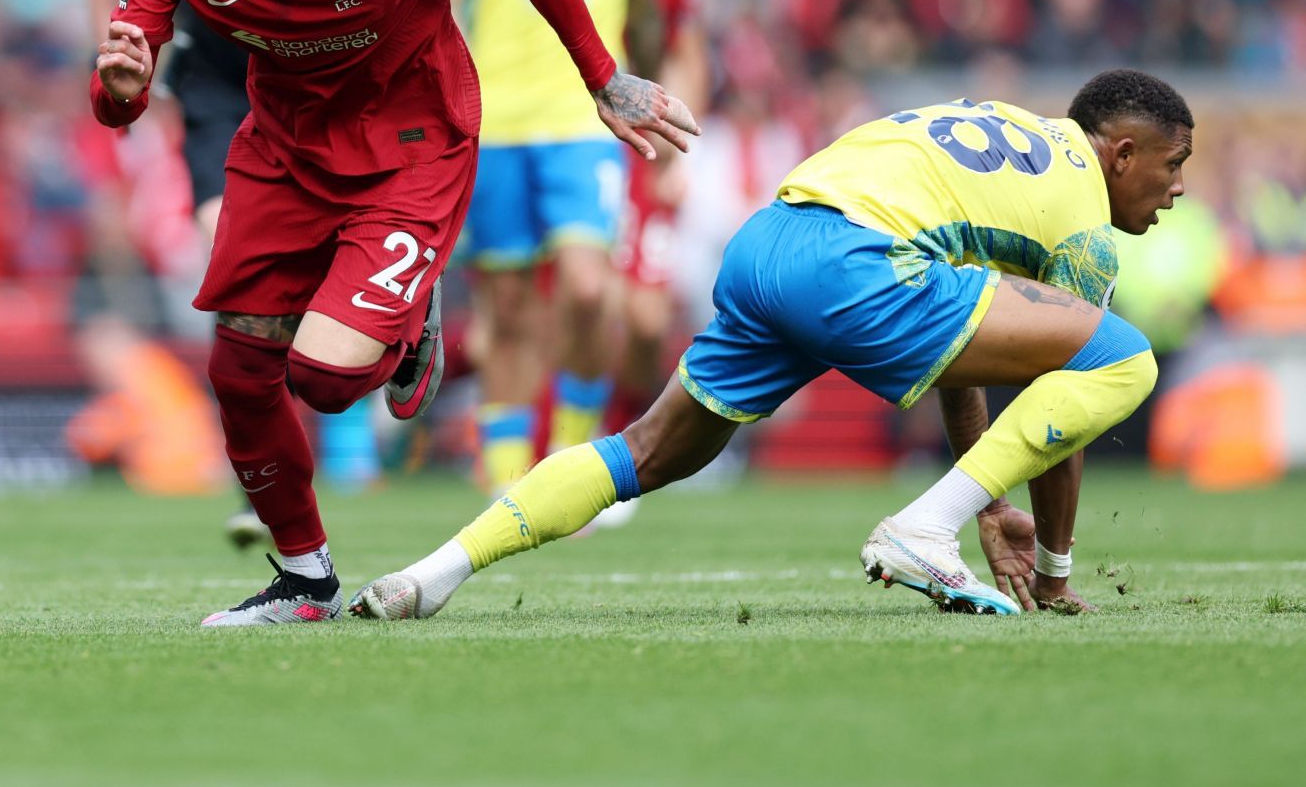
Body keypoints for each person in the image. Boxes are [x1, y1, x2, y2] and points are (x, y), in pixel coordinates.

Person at [92, 0, 699, 626]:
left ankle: (414, 316)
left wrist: (604, 78)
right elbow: (125, 88)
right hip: (286, 144)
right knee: (239, 365)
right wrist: (118, 89)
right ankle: (304, 581)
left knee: (326, 380)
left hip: (411, 140)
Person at [352, 70, 1191, 620]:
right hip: (856, 264)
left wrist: (986, 503)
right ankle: (916, 530)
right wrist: (1050, 567)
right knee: (1126, 356)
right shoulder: (1084, 220)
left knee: (646, 450)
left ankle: (431, 574)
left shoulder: (1001, 128)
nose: (1178, 190)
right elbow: (1070, 379)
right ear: (1121, 153)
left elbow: (967, 350)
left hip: (770, 246)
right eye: (1172, 165)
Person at [84, 0, 358, 551]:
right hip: (217, 84)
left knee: (315, 274)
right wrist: (111, 46)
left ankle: (356, 364)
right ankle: (260, 473)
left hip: (314, 74)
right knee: (228, 253)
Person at [453, 0, 667, 493]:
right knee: (506, 308)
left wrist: (651, 93)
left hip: (585, 124)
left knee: (584, 287)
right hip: (494, 123)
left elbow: (647, 14)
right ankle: (506, 480)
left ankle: (575, 464)